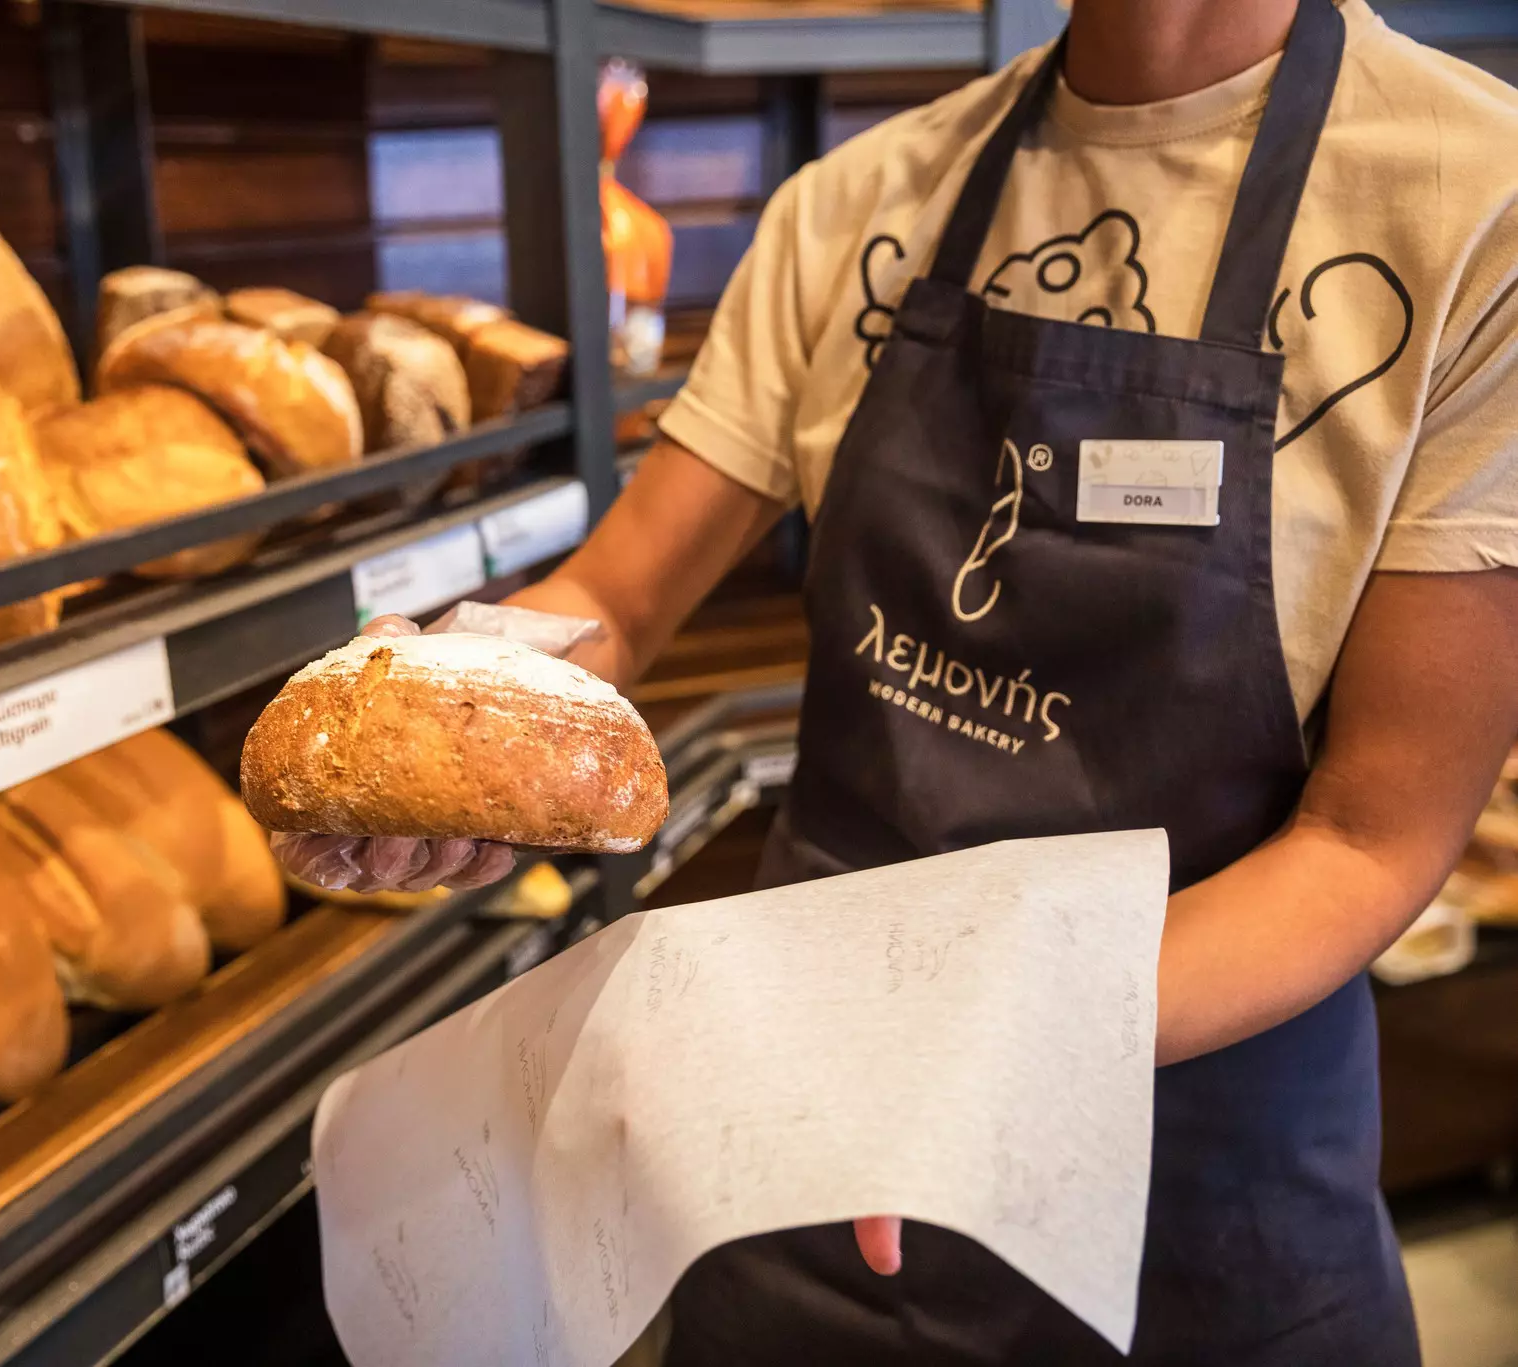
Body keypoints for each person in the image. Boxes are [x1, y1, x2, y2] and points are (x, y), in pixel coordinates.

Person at [276, 0, 1518, 1360]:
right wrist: (457, 692)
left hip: (1193, 1179)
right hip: (802, 1150)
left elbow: (1368, 837)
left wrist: (939, 1048)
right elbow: (616, 602)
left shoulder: (1473, 207)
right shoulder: (856, 201)